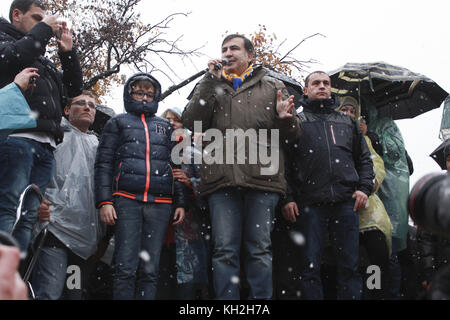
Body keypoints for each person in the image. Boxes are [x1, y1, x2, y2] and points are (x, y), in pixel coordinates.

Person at [182, 34, 300, 300]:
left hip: (263, 181)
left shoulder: (272, 86)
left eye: (234, 48)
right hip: (221, 181)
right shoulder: (211, 84)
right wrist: (209, 81)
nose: (228, 52)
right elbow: (191, 120)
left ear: (250, 55)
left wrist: (285, 119)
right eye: (224, 48)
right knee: (224, 250)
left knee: (259, 249)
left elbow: (293, 134)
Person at [281, 71, 374, 300]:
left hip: (346, 203)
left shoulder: (347, 122)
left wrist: (364, 188)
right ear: (306, 90)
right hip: (309, 204)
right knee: (309, 268)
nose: (322, 87)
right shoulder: (297, 123)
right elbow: (284, 164)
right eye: (316, 83)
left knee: (349, 267)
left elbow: (364, 159)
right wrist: (288, 197)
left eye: (326, 83)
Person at [0, 0, 83, 252]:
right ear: (17, 14)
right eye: (37, 18)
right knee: (7, 208)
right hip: (16, 139)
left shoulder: (40, 59)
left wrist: (68, 54)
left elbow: (73, 90)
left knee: (27, 217)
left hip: (45, 147)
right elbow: (10, 58)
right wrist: (45, 29)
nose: (45, 25)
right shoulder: (6, 42)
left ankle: (11, 279)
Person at [94, 73, 186, 300]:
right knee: (125, 266)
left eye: (149, 93)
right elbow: (104, 164)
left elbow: (176, 166)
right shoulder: (117, 122)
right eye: (139, 92)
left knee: (150, 269)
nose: (144, 97)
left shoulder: (165, 127)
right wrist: (104, 201)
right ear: (129, 93)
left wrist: (180, 201)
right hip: (126, 200)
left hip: (161, 203)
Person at [27, 91, 107, 300]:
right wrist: (37, 202)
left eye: (92, 105)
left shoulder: (98, 146)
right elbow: (34, 174)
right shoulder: (54, 137)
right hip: (54, 230)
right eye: (81, 103)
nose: (87, 107)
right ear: (66, 110)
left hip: (84, 239)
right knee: (49, 291)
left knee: (74, 293)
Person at [338, 97, 393, 300]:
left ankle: (376, 294)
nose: (349, 114)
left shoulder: (366, 139)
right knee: (346, 263)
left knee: (376, 260)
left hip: (369, 211)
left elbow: (377, 165)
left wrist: (367, 186)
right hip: (341, 208)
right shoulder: (331, 134)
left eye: (353, 111)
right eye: (345, 109)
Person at [158, 108, 210, 300]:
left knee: (187, 283)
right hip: (160, 226)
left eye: (176, 120)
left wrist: (191, 183)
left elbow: (209, 185)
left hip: (190, 227)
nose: (171, 123)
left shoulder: (195, 152)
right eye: (167, 119)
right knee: (160, 280)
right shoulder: (155, 149)